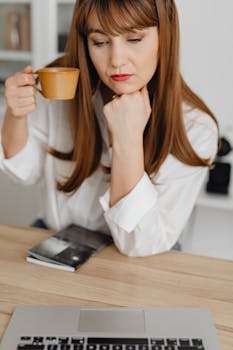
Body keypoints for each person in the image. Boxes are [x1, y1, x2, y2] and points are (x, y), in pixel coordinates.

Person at [0, 0, 218, 256]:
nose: (116, 60)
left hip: (143, 257)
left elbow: (138, 245)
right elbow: (23, 172)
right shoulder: (61, 85)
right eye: (100, 42)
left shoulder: (196, 128)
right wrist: (15, 115)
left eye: (134, 39)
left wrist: (128, 140)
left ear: (165, 35)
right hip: (56, 239)